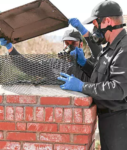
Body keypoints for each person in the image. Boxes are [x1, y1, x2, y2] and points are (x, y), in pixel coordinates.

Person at [57, 1, 127, 150]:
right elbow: (103, 77)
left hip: (120, 123)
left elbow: (118, 89)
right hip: (108, 120)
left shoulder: (124, 49)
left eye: (96, 23)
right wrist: (85, 65)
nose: (95, 28)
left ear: (107, 21)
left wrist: (82, 86)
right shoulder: (111, 47)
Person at [0, 29, 101, 84]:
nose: (69, 46)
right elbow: (28, 67)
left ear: (81, 45)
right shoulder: (53, 64)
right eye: (66, 42)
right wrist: (10, 48)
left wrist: (84, 63)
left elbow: (98, 55)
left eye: (73, 43)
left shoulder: (88, 66)